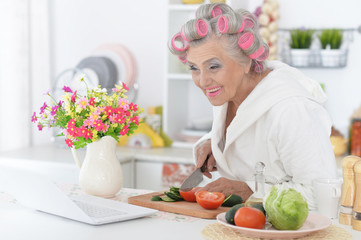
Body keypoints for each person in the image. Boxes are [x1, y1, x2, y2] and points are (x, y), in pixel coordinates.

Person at [168, 3, 337, 210]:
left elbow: (321, 195)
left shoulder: (291, 109)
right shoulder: (229, 91)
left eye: (214, 66)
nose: (202, 81)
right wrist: (215, 142)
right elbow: (247, 128)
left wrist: (251, 191)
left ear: (247, 61)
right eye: (194, 68)